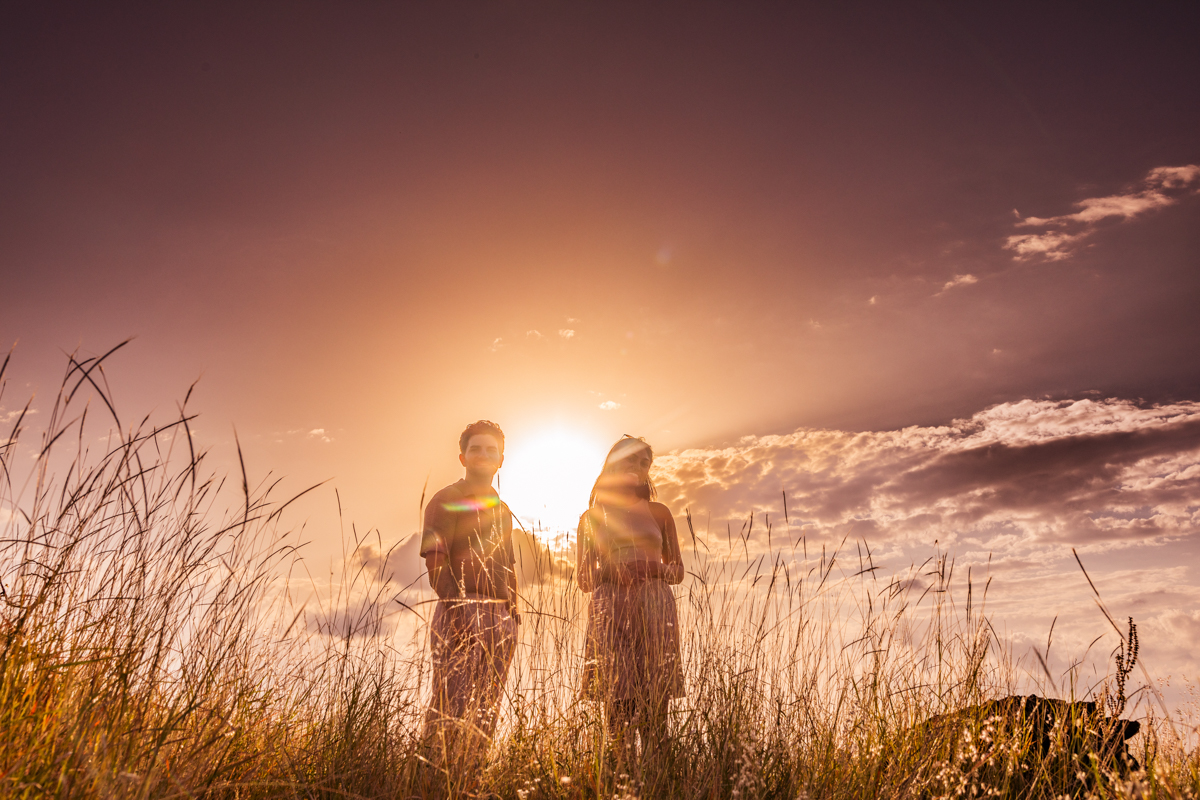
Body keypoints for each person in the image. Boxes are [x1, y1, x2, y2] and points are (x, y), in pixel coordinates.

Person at [577, 435, 685, 769]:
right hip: (610, 609)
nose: (638, 468)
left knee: (656, 711)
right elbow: (583, 579)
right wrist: (611, 568)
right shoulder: (592, 516)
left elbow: (678, 571)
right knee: (617, 713)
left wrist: (652, 568)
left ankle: (660, 782)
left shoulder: (659, 512)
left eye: (644, 463)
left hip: (656, 608)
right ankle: (620, 781)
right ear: (613, 464)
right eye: (631, 461)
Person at [419, 420, 519, 765]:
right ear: (462, 457)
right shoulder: (447, 499)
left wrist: (514, 616)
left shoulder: (502, 510)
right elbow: (436, 560)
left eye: (491, 450)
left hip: (500, 618)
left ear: (501, 460)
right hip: (460, 609)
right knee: (451, 703)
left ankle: (471, 782)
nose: (483, 455)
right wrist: (457, 610)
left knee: (487, 707)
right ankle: (431, 785)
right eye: (475, 448)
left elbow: (508, 566)